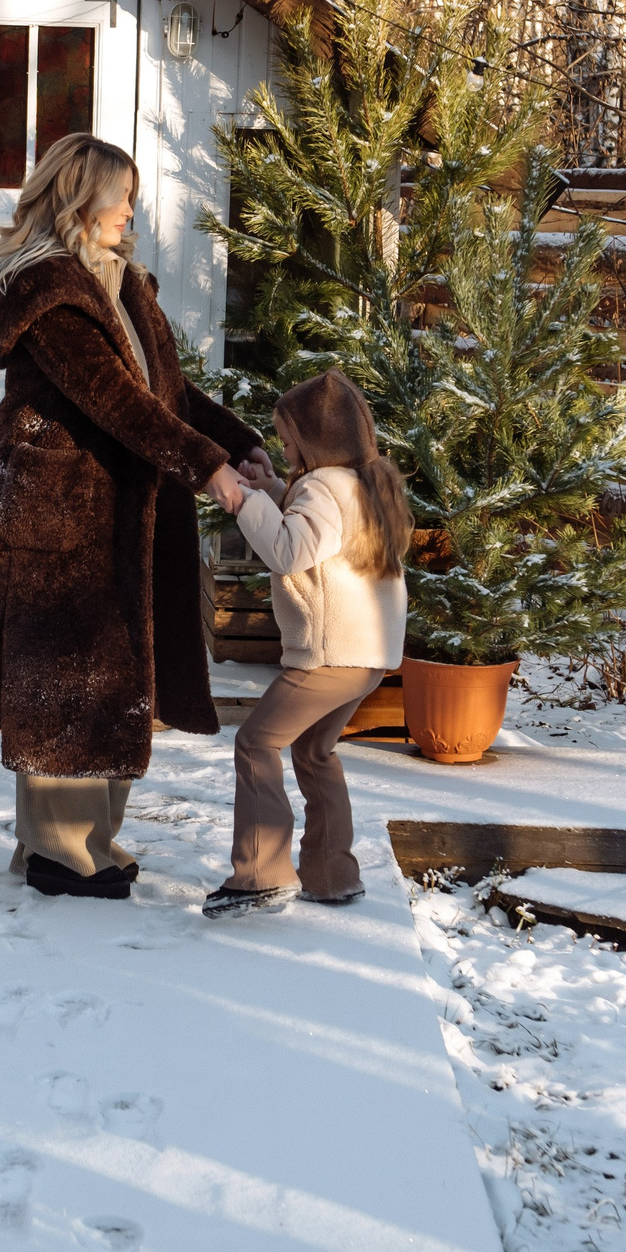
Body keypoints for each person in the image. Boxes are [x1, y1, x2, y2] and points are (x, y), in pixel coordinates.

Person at [0, 133, 268, 900]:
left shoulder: (124, 285)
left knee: (110, 679)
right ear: (78, 195)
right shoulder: (46, 291)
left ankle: (90, 841)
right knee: (60, 681)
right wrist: (209, 471)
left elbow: (168, 391)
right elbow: (114, 398)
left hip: (117, 508)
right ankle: (57, 851)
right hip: (56, 514)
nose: (132, 208)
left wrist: (240, 444)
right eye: (121, 193)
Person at [203, 370, 411, 917]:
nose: (282, 445)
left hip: (329, 654)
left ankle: (260, 875)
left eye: (288, 436)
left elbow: (291, 550)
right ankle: (330, 874)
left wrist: (240, 500)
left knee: (255, 743)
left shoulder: (322, 488)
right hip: (366, 658)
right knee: (315, 752)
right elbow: (318, 530)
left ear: (317, 438)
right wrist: (270, 488)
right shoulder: (364, 482)